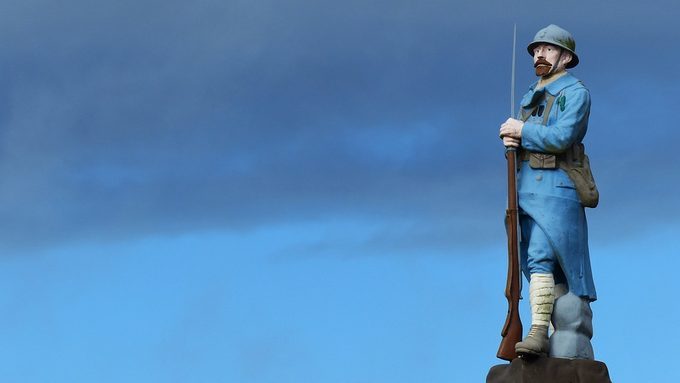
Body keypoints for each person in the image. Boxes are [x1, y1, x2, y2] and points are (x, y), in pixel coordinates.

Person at [499, 24, 598, 358]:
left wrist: (521, 130)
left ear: (565, 57)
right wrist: (512, 142)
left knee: (541, 254)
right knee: (532, 261)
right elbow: (526, 141)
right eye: (536, 50)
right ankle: (553, 331)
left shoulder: (575, 92)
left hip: (556, 189)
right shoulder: (532, 92)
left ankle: (538, 333)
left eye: (548, 49)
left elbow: (561, 137)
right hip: (527, 188)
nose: (539, 54)